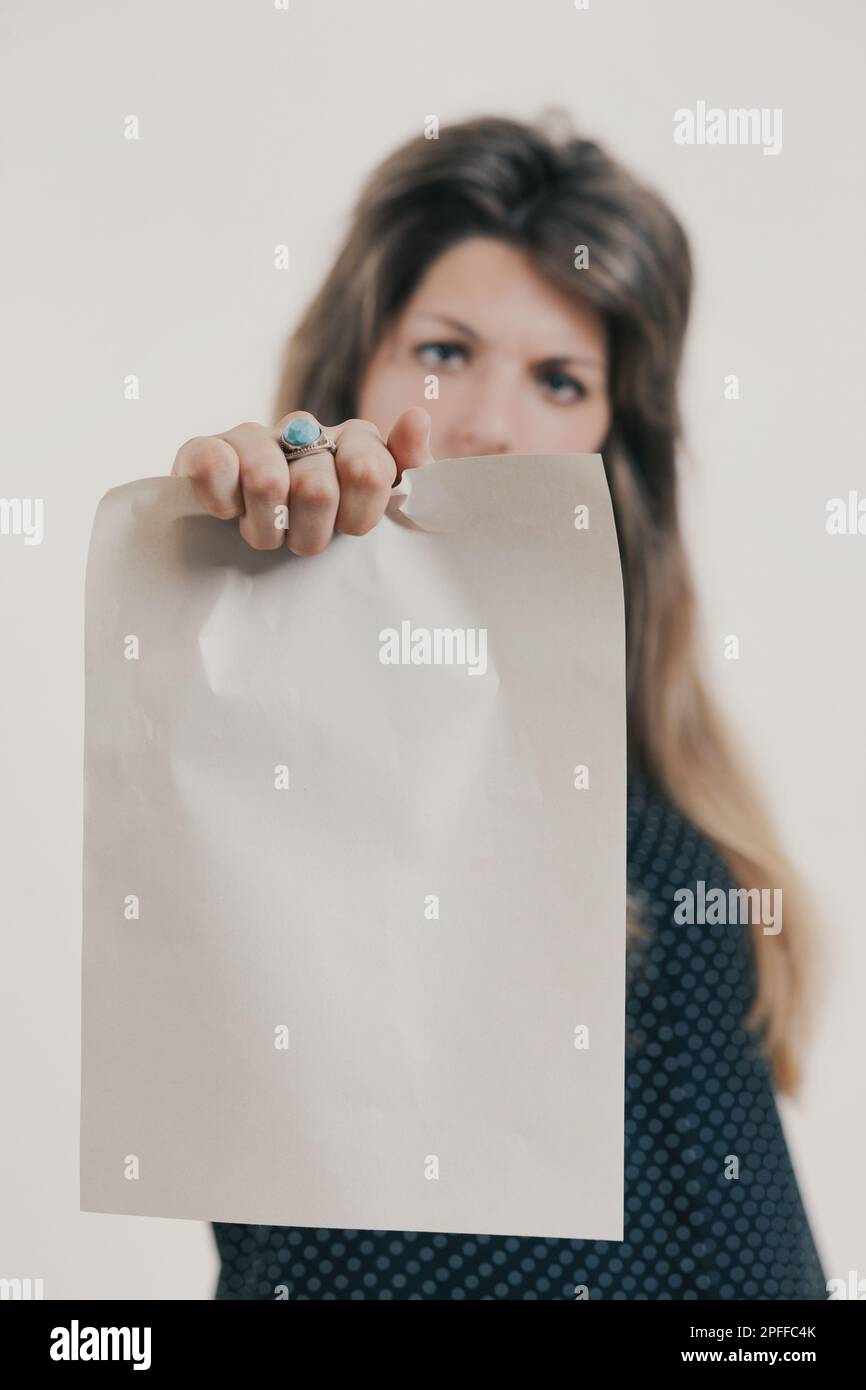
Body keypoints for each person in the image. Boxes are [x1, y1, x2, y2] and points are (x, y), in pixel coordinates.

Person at [172, 111, 828, 1300]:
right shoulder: (264, 717)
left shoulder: (670, 787)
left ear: (604, 446)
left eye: (559, 378)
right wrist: (245, 572)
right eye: (443, 350)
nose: (487, 421)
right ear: (352, 377)